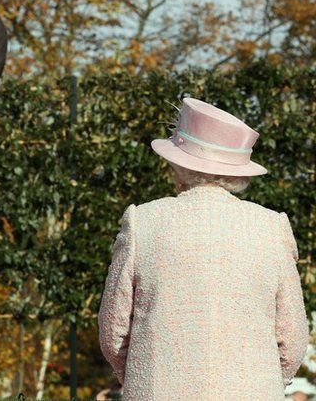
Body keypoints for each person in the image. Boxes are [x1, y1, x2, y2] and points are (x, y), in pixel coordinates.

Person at [98, 97, 310, 399]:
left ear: (178, 164)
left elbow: (113, 330)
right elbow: (293, 338)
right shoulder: (271, 228)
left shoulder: (143, 221)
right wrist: (261, 381)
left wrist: (138, 375)